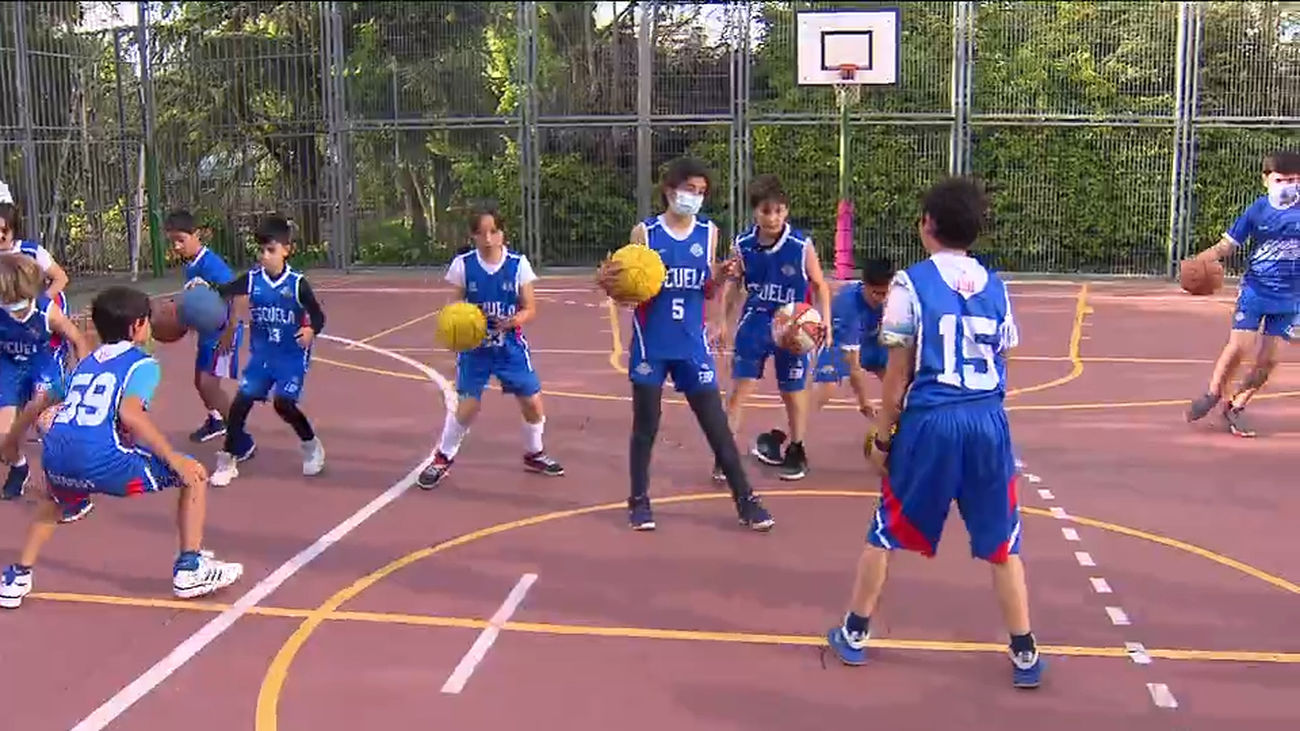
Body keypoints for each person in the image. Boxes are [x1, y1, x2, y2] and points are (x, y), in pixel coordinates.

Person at [824, 176, 1043, 689]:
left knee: (886, 527)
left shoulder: (909, 284)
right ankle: (1025, 650)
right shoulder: (996, 285)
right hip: (988, 419)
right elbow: (1002, 357)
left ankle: (855, 632)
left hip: (933, 421)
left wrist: (882, 438)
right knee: (1002, 541)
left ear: (927, 225)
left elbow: (896, 375)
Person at [0, 285, 244, 609]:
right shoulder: (142, 364)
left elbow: (38, 403)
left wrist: (10, 440)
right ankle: (190, 567)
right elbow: (130, 414)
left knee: (54, 503)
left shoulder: (83, 364)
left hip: (57, 456)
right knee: (194, 474)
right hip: (104, 459)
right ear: (137, 327)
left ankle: (18, 577)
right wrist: (173, 458)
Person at [596, 157, 774, 532]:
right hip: (652, 343)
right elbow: (626, 290)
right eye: (689, 190)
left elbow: (705, 287)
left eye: (701, 192)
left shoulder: (708, 233)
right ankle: (639, 500)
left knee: (717, 426)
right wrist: (608, 282)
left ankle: (746, 500)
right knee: (646, 424)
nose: (695, 197)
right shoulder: (645, 234)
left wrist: (720, 277)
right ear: (669, 190)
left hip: (692, 343)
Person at [417, 206, 564, 488]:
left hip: (509, 346)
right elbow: (454, 306)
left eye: (493, 231)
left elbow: (531, 308)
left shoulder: (518, 264)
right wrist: (456, 328)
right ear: (473, 236)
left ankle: (534, 453)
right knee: (468, 406)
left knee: (532, 402)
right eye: (481, 233)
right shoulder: (463, 265)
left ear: (502, 233)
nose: (488, 238)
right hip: (476, 349)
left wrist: (513, 320)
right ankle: (442, 457)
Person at [717, 174, 831, 481]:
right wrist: (722, 323)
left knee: (793, 392)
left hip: (794, 324)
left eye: (779, 211)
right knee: (740, 390)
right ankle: (725, 455)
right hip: (755, 321)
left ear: (787, 211)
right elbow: (732, 285)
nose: (772, 218)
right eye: (766, 211)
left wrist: (826, 322)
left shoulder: (800, 244)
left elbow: (820, 285)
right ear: (755, 212)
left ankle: (796, 449)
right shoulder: (742, 244)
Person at [1185, 150, 1300, 437]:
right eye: (1282, 179)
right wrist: (1200, 260)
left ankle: (1235, 407)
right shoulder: (1258, 210)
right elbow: (1228, 245)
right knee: (1240, 346)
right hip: (1256, 289)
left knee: (1269, 360)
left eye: (1296, 180)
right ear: (1266, 180)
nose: (1289, 185)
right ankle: (1213, 393)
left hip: (1290, 297)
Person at [209, 214, 325, 486]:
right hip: (262, 356)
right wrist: (206, 289)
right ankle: (228, 457)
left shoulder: (297, 284)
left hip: (291, 356)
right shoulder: (252, 279)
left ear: (286, 249)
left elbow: (318, 316)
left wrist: (311, 330)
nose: (264, 256)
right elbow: (225, 290)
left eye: (270, 250)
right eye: (260, 250)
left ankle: (310, 444)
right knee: (240, 404)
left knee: (283, 404)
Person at [751, 257, 893, 464]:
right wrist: (863, 400)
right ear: (865, 285)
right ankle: (774, 438)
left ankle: (907, 436)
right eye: (876, 293)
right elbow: (853, 364)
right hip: (838, 343)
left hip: (875, 340)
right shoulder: (848, 308)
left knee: (903, 384)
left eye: (885, 293)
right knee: (824, 389)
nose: (881, 298)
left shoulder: (897, 296)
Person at [0, 255, 91, 516]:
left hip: (44, 364)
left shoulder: (46, 311)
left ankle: (72, 490)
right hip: (9, 365)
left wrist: (82, 373)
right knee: (4, 437)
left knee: (49, 428)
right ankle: (19, 466)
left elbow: (77, 338)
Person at [164, 209, 246, 444]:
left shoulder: (211, 264)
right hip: (209, 332)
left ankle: (238, 433)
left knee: (210, 384)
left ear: (196, 234)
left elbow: (238, 293)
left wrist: (231, 329)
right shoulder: (191, 265)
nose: (177, 246)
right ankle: (217, 420)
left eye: (181, 239)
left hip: (223, 333)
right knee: (201, 383)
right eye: (173, 242)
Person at [0, 202, 72, 359]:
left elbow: (60, 278)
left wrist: (41, 302)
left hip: (37, 310)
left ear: (14, 230)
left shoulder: (31, 251)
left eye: (4, 230)